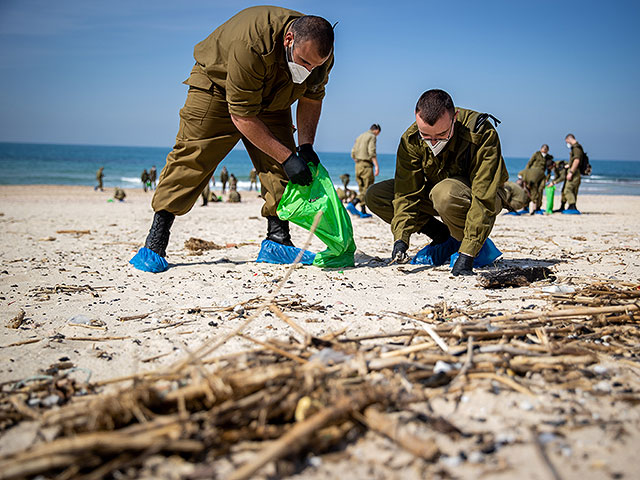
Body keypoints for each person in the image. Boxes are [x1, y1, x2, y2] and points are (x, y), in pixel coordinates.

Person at [130, 6, 335, 272]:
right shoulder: (250, 43)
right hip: (218, 86)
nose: (309, 70)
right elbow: (242, 116)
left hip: (274, 94)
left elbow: (312, 97)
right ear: (289, 39)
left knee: (282, 168)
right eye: (305, 62)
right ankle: (155, 243)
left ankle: (278, 242)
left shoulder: (319, 54)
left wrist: (305, 146)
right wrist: (288, 157)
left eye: (315, 65)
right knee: (193, 158)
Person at [365, 89, 509, 276]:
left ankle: (475, 244)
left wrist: (468, 253)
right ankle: (443, 236)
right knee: (377, 195)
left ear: (454, 117)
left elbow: (484, 196)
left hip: (479, 197)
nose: (433, 142)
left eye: (441, 134)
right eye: (426, 135)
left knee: (444, 193)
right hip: (438, 196)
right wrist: (401, 239)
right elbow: (406, 193)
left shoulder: (480, 132)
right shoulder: (411, 139)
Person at [349, 124, 381, 216]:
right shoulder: (372, 136)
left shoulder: (360, 136)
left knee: (361, 188)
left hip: (358, 165)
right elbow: (372, 152)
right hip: (366, 165)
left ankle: (363, 211)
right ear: (376, 130)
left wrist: (358, 160)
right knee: (367, 189)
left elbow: (352, 153)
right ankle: (353, 203)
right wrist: (376, 166)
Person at [521, 144, 553, 214]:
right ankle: (526, 207)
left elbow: (549, 169)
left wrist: (547, 178)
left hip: (541, 176)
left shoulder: (548, 158)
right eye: (544, 149)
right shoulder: (536, 154)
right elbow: (529, 163)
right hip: (532, 175)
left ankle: (537, 208)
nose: (544, 151)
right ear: (541, 149)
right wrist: (525, 174)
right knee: (530, 190)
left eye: (546, 149)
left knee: (540, 191)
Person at [561, 134, 585, 213]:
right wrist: (568, 165)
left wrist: (571, 172)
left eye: (567, 142)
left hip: (574, 172)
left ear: (569, 139)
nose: (567, 143)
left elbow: (576, 160)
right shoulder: (577, 147)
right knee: (573, 190)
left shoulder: (576, 148)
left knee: (567, 189)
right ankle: (571, 206)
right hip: (575, 170)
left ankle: (572, 206)